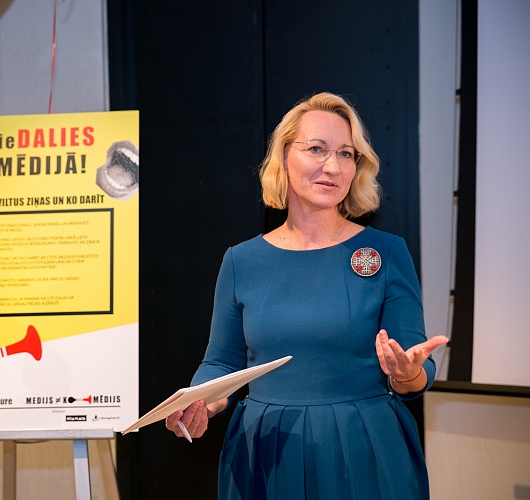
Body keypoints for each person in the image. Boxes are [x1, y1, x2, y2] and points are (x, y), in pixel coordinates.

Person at [165, 92, 448, 499]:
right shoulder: (241, 261)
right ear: (284, 157)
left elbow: (414, 367)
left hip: (363, 444)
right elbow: (222, 362)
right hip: (266, 449)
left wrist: (406, 373)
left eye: (346, 154)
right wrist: (199, 403)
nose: (332, 166)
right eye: (316, 149)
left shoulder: (385, 252)